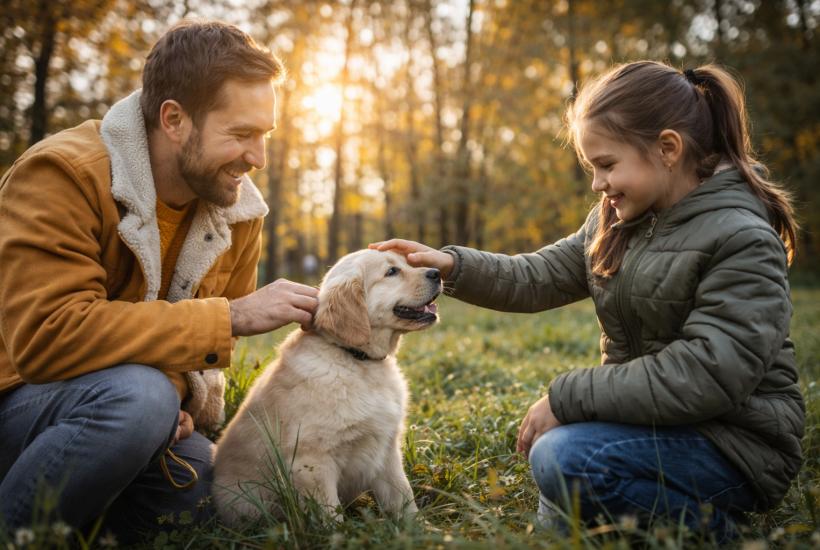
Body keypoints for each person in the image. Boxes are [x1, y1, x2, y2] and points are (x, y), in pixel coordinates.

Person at [373, 61, 803, 542]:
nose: (598, 184)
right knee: (560, 460)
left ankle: (718, 534)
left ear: (667, 149)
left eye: (606, 165)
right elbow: (536, 276)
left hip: (734, 445)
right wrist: (454, 265)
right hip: (655, 423)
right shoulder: (617, 221)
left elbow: (707, 372)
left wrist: (569, 398)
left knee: (567, 456)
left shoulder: (741, 237)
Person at [0, 21, 319, 540]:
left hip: (134, 409)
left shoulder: (237, 212)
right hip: (20, 401)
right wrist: (229, 318)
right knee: (138, 400)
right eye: (240, 134)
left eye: (264, 136)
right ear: (174, 119)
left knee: (215, 500)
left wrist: (180, 397)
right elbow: (48, 337)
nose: (257, 158)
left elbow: (202, 360)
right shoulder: (60, 175)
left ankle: (81, 511)